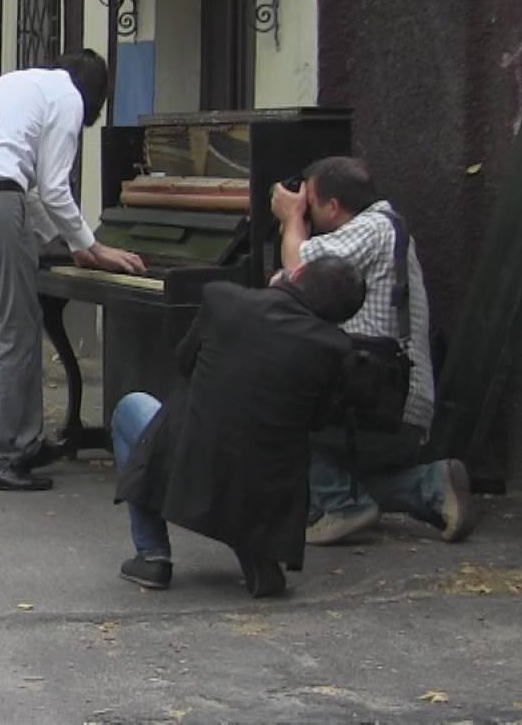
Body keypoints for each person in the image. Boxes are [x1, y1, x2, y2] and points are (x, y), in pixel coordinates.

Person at [0, 50, 146, 491]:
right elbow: (52, 187)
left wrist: (73, 243)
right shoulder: (68, 98)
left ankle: (25, 444)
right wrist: (90, 245)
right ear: (95, 94)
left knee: (25, 320)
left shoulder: (21, 85)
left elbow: (32, 195)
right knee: (16, 329)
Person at [112, 258, 367, 598]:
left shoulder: (223, 300)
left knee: (131, 410)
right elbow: (318, 421)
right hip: (267, 491)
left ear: (298, 272)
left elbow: (184, 362)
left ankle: (153, 554)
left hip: (194, 463)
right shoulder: (334, 348)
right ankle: (255, 550)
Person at [272, 156, 475, 545]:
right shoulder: (384, 231)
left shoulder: (374, 228)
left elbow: (298, 271)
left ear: (332, 206)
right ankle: (431, 485)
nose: (305, 209)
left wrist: (290, 220)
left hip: (380, 409)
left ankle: (339, 505)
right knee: (329, 484)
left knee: (275, 408)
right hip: (387, 405)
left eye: (309, 202)